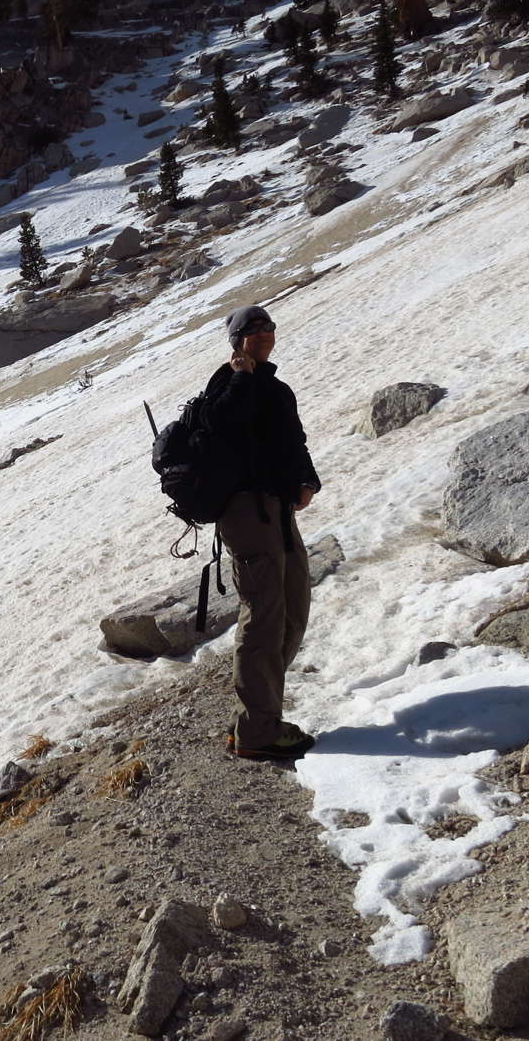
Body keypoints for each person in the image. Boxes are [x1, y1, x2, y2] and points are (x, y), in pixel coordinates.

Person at [197, 304, 320, 761]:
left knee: (292, 612)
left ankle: (254, 715)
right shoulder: (226, 385)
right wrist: (242, 379)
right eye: (253, 329)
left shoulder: (277, 389)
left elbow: (293, 442)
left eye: (268, 326)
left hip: (279, 511)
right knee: (264, 616)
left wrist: (307, 479)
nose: (264, 333)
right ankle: (257, 730)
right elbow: (221, 430)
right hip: (247, 514)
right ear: (237, 340)